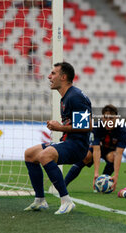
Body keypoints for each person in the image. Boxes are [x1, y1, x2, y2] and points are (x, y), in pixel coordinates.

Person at [24, 62, 91, 214]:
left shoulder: (75, 97)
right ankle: (40, 200)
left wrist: (59, 127)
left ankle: (66, 201)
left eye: (53, 73)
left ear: (64, 77)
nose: (49, 76)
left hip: (77, 146)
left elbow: (86, 126)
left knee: (44, 155)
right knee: (29, 154)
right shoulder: (67, 97)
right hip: (67, 141)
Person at [64, 104, 126, 191]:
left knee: (113, 157)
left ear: (116, 118)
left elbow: (118, 154)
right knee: (86, 156)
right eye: (105, 118)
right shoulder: (97, 127)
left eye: (111, 118)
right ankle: (64, 184)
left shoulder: (122, 131)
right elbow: (96, 150)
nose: (108, 121)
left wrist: (116, 176)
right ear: (102, 118)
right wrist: (96, 173)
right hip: (99, 149)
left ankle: (102, 184)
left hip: (111, 152)